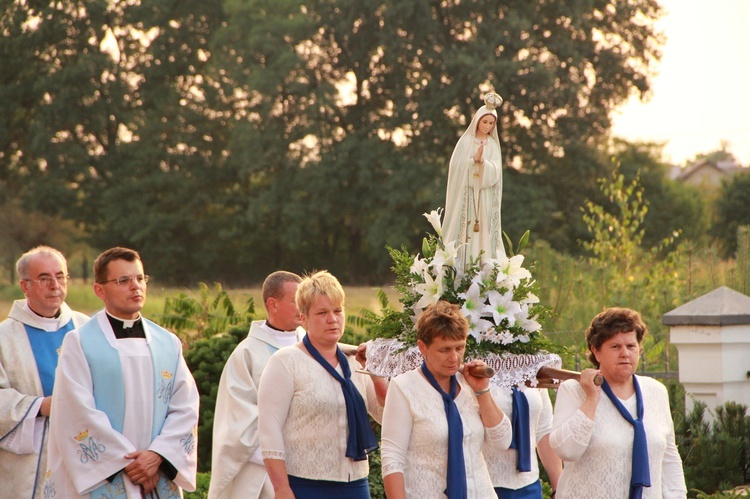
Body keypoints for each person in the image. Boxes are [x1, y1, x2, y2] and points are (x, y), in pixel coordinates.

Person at [45, 247, 200, 498]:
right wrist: (126, 463)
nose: (135, 287)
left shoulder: (167, 343)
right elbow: (74, 411)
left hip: (156, 471)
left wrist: (158, 455)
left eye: (140, 278)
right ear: (100, 290)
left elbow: (186, 406)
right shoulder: (80, 342)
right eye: (123, 280)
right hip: (106, 476)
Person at [258, 270, 387, 499]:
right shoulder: (285, 362)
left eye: (338, 311)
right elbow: (269, 430)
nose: (332, 319)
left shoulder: (355, 360)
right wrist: (281, 489)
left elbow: (384, 415)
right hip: (305, 485)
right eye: (322, 313)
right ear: (304, 319)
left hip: (356, 483)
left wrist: (376, 373)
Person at [549, 307, 687, 499]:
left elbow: (669, 458)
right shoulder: (574, 391)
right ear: (596, 351)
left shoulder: (655, 392)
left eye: (631, 346)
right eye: (615, 347)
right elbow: (566, 451)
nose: (625, 353)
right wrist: (591, 398)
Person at [381, 300, 513, 498]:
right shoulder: (403, 387)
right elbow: (392, 460)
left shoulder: (471, 382)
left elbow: (503, 442)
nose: (454, 358)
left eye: (460, 348)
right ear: (422, 347)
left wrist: (482, 392)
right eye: (444, 350)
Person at [0, 246, 90, 498]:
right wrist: (40, 406)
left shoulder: (89, 329)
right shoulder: (4, 338)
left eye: (60, 276)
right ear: (25, 286)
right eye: (44, 278)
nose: (54, 285)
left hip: (85, 451)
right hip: (29, 465)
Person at [208, 270, 305, 499]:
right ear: (273, 304)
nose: (303, 308)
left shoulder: (314, 346)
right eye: (296, 302)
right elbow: (238, 421)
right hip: (266, 475)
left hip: (314, 470)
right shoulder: (247, 354)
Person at [443, 92, 506, 270]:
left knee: (484, 233)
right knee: (466, 233)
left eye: (491, 123)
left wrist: (483, 163)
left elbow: (496, 172)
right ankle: (462, 269)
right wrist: (473, 162)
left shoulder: (493, 145)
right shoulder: (466, 142)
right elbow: (457, 167)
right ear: (477, 121)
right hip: (468, 196)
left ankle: (484, 270)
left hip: (484, 196)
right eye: (484, 121)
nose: (487, 126)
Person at [485, 385, 562, 498]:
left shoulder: (532, 369)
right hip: (485, 485)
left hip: (529, 487)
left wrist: (558, 488)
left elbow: (544, 429)